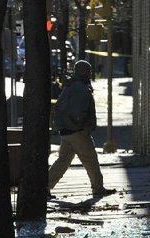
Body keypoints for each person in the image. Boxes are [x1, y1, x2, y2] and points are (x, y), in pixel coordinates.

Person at [48, 60, 115, 198]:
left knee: (62, 161)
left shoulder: (70, 86)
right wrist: (84, 127)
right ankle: (98, 188)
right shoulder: (81, 89)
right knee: (90, 159)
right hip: (77, 131)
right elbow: (79, 111)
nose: (90, 74)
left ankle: (44, 187)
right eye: (89, 71)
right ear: (85, 72)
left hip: (66, 131)